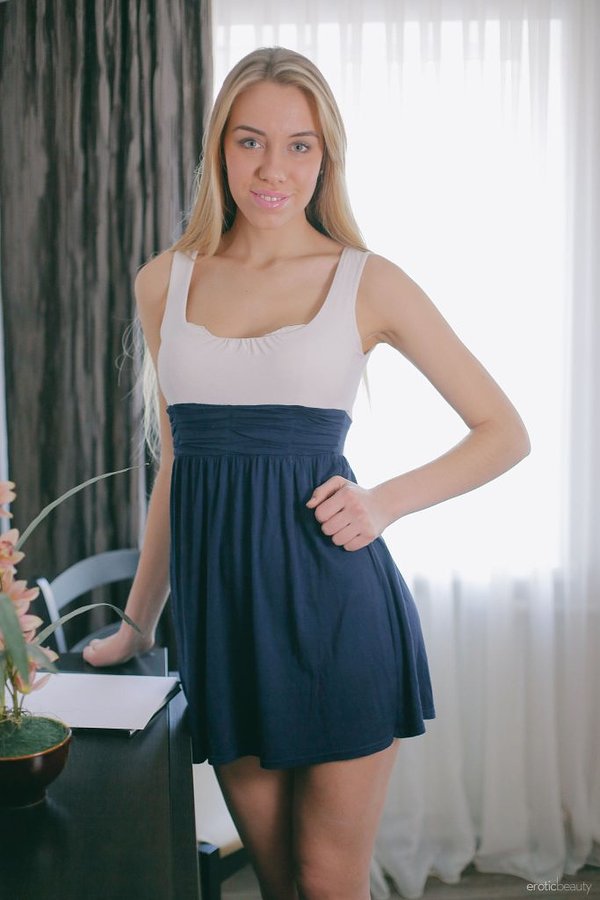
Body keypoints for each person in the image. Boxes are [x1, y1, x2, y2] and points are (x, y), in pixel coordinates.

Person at [83, 46, 530, 900]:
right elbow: (178, 464)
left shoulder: (367, 281)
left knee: (328, 884)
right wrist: (140, 623)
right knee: (281, 883)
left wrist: (384, 503)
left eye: (299, 145)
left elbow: (504, 432)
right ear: (220, 147)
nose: (273, 169)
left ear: (326, 158)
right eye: (250, 141)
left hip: (336, 611)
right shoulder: (163, 282)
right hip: (224, 622)